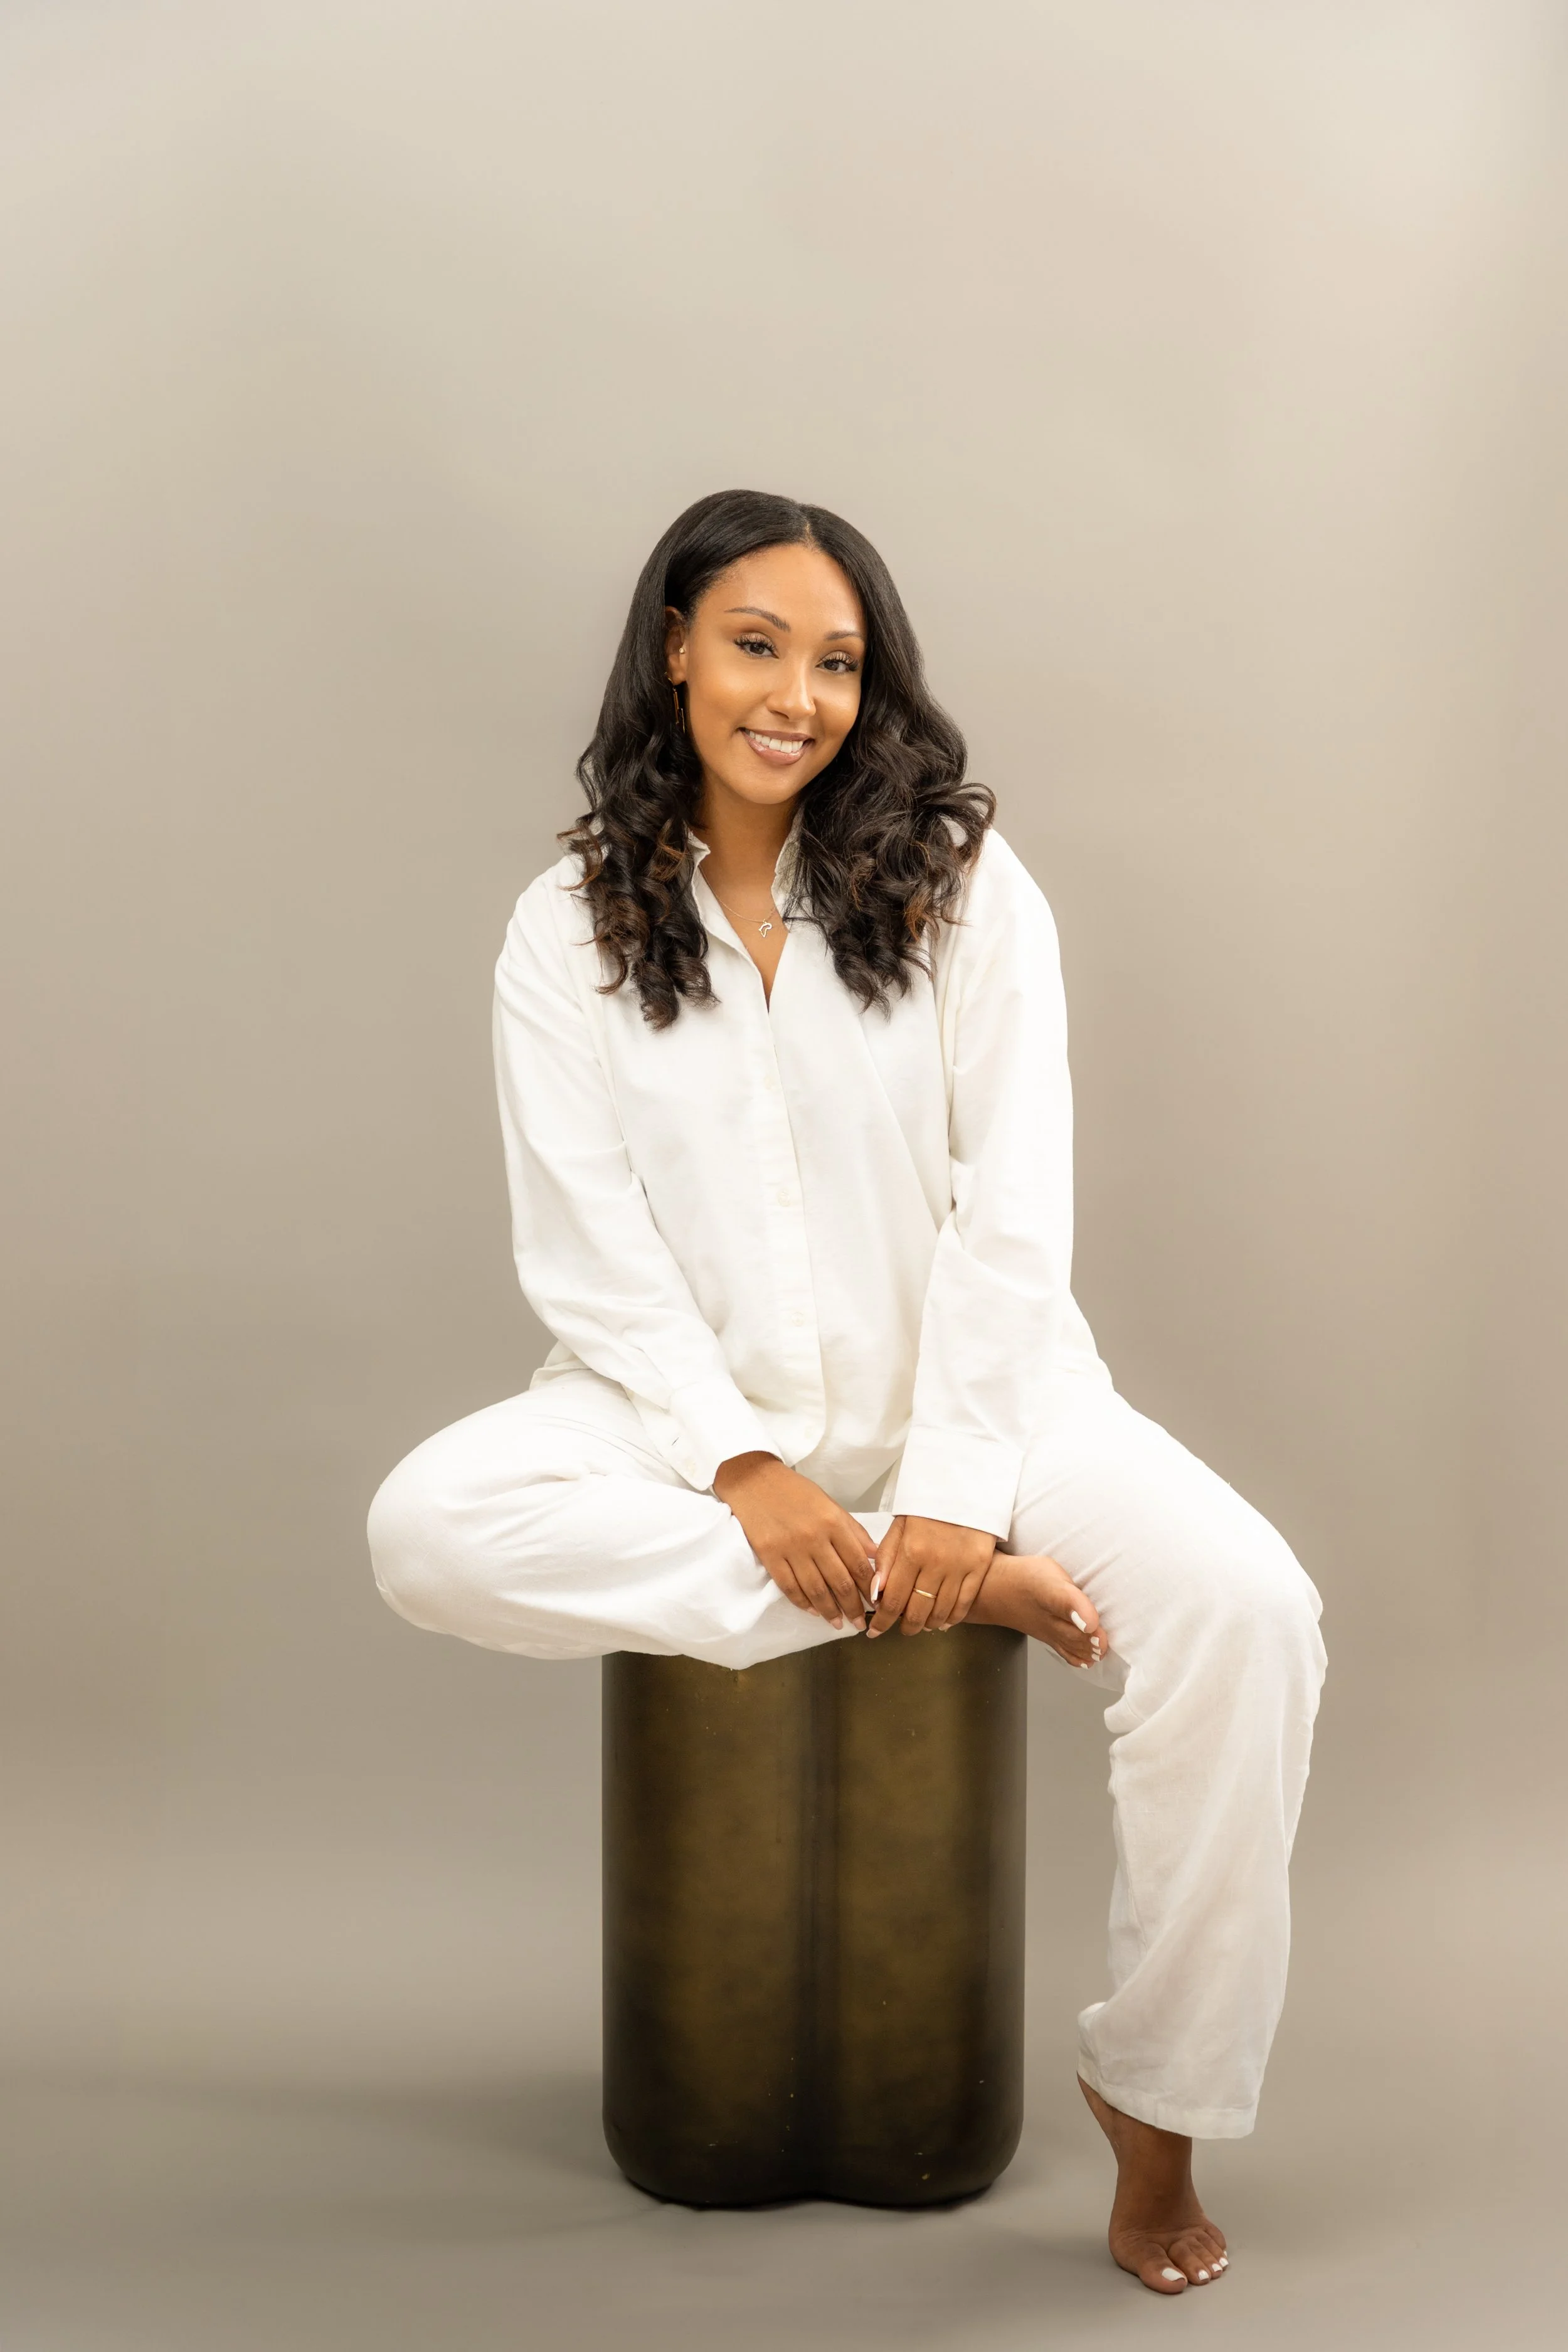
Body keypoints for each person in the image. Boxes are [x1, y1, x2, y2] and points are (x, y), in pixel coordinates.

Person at [366, 488, 1327, 2296]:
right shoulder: (565, 923)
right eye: (754, 644)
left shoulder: (961, 880)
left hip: (999, 1400)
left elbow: (1012, 1208)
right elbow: (588, 1252)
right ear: (673, 646)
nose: (794, 693)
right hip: (677, 1422)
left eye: (835, 660)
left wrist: (959, 1486)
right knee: (424, 1525)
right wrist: (734, 1459)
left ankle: (1159, 2098)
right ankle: (913, 1587)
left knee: (1255, 1614)